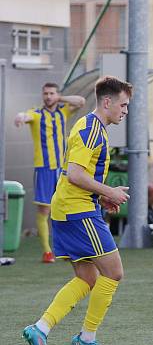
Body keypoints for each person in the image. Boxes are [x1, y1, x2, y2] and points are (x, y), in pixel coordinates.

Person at [22, 76, 133, 345]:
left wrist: (102, 196)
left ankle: (40, 328)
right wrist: (108, 190)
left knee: (87, 278)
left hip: (74, 206)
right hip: (77, 210)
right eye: (122, 104)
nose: (125, 111)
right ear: (107, 102)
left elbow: (82, 175)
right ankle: (87, 338)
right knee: (114, 272)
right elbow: (74, 173)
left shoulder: (94, 127)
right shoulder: (91, 128)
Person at [14, 83, 86, 263]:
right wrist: (20, 117)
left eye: (51, 93)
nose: (48, 96)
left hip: (63, 169)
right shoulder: (37, 114)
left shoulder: (63, 111)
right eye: (45, 93)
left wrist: (60, 98)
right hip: (44, 169)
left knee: (66, 208)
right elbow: (25, 116)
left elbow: (81, 101)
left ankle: (67, 249)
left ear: (57, 94)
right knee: (45, 209)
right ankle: (47, 251)